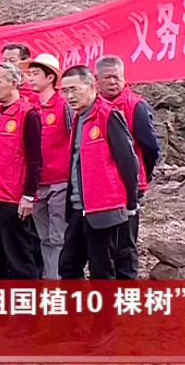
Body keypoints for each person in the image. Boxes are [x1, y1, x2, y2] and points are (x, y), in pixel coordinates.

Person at [58, 65, 139, 280]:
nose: (69, 96)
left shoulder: (107, 115)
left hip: (104, 208)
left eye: (74, 89)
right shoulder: (78, 117)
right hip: (79, 206)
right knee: (67, 266)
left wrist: (131, 203)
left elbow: (128, 161)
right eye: (65, 91)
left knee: (102, 270)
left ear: (92, 86)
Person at [95, 55, 161, 279]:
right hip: (100, 186)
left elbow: (150, 147)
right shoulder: (91, 107)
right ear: (97, 80)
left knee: (125, 242)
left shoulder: (135, 105)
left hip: (128, 185)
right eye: (107, 77)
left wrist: (142, 175)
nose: (113, 82)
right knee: (103, 243)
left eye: (117, 77)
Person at [0, 63, 42, 279]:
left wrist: (28, 195)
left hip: (12, 196)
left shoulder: (27, 114)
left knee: (19, 254)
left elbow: (35, 159)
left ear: (14, 83)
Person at [21, 53, 72, 279]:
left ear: (50, 77)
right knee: (42, 236)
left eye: (35, 74)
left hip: (60, 180)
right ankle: (50, 277)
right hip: (37, 183)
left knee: (58, 235)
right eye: (29, 74)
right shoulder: (29, 107)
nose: (30, 78)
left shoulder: (64, 105)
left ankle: (58, 280)